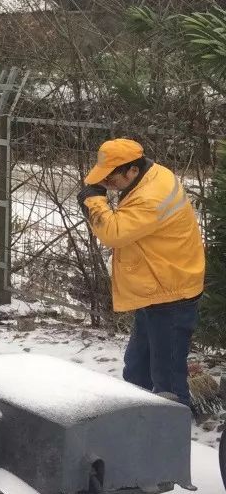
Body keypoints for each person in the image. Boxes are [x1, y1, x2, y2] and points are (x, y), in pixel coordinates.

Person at [78, 138, 205, 407]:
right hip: (155, 288)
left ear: (132, 170)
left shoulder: (151, 195)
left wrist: (94, 202)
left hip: (171, 294)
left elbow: (114, 233)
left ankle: (169, 440)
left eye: (110, 178)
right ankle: (139, 429)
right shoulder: (150, 176)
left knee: (168, 386)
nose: (106, 184)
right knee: (136, 371)